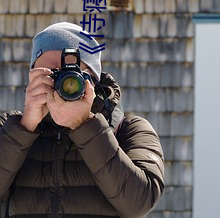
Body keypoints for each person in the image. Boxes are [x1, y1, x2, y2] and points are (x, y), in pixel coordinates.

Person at [0, 22, 164, 218]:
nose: (58, 84)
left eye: (69, 75)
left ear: (93, 80)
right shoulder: (9, 128)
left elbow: (139, 203)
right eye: (48, 74)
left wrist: (85, 126)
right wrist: (24, 128)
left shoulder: (130, 130)